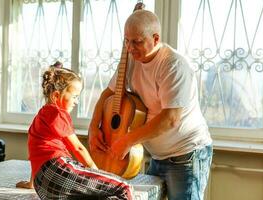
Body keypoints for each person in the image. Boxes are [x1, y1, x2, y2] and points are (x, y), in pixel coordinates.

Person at [88, 10, 213, 200]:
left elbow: (171, 119)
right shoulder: (131, 60)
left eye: (136, 41)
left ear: (155, 39)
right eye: (126, 41)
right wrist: (93, 128)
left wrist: (128, 140)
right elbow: (108, 93)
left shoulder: (173, 65)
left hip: (185, 155)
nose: (130, 48)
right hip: (156, 156)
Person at [16, 62, 133, 200]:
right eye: (75, 96)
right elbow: (78, 148)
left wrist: (31, 184)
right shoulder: (57, 114)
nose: (76, 101)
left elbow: (36, 153)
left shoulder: (40, 117)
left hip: (42, 186)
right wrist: (97, 173)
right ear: (56, 96)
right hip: (57, 172)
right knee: (124, 187)